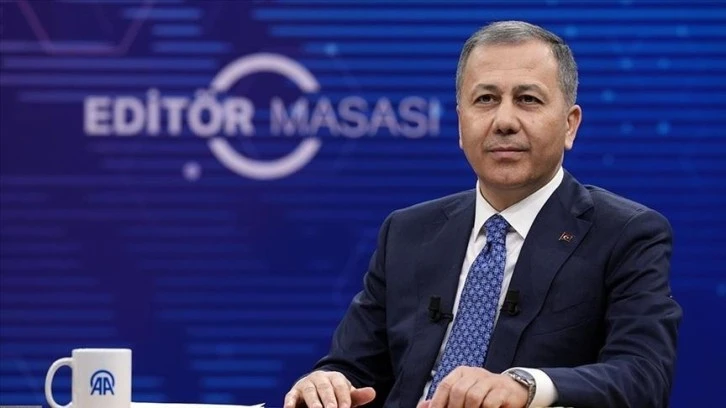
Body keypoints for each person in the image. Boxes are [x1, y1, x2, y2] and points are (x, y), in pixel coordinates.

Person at [283, 20, 682, 408]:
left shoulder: (626, 233)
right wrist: (327, 382)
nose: (504, 121)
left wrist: (526, 387)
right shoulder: (407, 232)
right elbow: (352, 368)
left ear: (569, 125)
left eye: (528, 99)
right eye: (486, 99)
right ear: (461, 123)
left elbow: (643, 377)